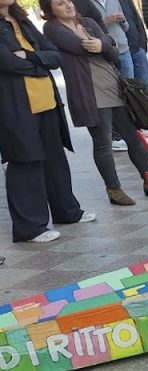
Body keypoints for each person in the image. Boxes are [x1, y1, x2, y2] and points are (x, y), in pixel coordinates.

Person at [42, 0, 148, 206]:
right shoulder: (51, 28)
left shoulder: (87, 22)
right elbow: (79, 47)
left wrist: (102, 45)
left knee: (134, 137)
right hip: (89, 93)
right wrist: (103, 44)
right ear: (50, 10)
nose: (68, 5)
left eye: (68, 1)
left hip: (114, 86)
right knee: (103, 144)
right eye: (60, 4)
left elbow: (113, 50)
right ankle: (114, 189)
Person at [0, 0, 94, 243]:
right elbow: (6, 62)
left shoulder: (22, 21)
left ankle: (67, 212)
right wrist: (40, 65)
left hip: (47, 103)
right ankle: (30, 228)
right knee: (25, 162)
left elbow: (55, 56)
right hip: (15, 107)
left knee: (55, 159)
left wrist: (31, 57)